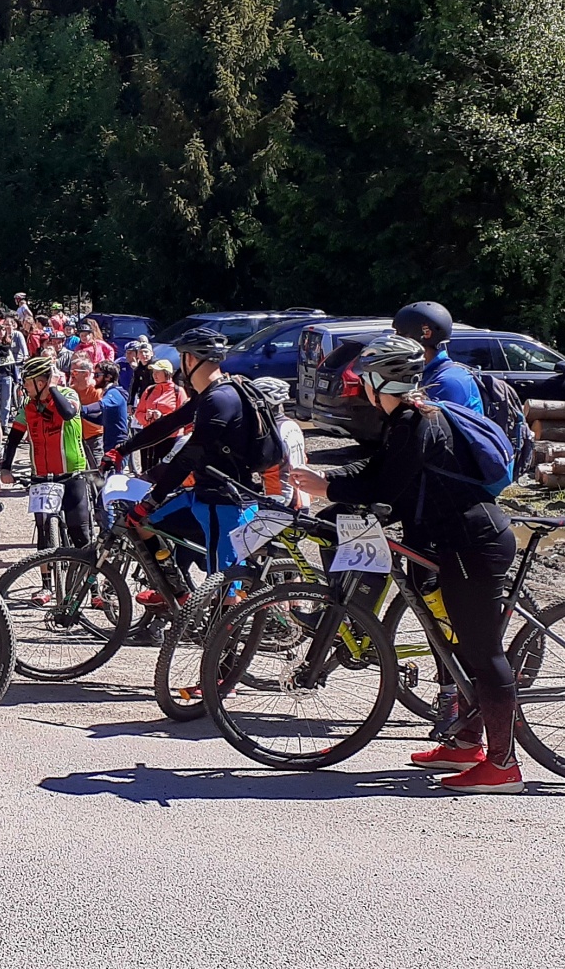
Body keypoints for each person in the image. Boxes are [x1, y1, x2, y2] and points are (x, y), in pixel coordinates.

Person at [287, 334, 523, 795]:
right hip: (447, 542)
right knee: (455, 644)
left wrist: (328, 489)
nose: (359, 385)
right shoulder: (406, 419)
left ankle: (503, 766)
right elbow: (376, 469)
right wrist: (327, 478)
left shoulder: (418, 422)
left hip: (471, 545)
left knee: (483, 652)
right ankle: (467, 744)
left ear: (381, 382)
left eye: (364, 378)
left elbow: (386, 489)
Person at [102, 328, 258, 603]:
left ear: (191, 359)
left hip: (223, 502)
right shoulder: (210, 394)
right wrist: (123, 449)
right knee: (143, 524)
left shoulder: (220, 399)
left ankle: (226, 626)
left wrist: (152, 499)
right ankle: (179, 596)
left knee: (225, 589)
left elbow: (190, 455)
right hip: (202, 494)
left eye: (181, 357)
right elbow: (171, 422)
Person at [4, 355, 93, 548]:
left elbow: (68, 413)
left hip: (71, 473)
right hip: (41, 477)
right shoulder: (28, 406)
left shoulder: (68, 394)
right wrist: (5, 468)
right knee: (43, 534)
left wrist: (52, 387)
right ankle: (46, 568)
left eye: (27, 383)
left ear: (41, 383)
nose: (24, 387)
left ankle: (87, 567)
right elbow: (13, 438)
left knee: (79, 534)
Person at [393, 300, 483, 414]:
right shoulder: (427, 373)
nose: (396, 341)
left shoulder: (449, 381)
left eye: (400, 334)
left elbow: (432, 423)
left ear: (426, 333)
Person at [132, 358, 184, 472]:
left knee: (165, 472)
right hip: (149, 436)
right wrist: (146, 417)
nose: (154, 375)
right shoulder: (149, 390)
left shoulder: (178, 392)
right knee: (146, 469)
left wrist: (162, 417)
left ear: (167, 373)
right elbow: (138, 413)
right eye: (153, 372)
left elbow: (183, 417)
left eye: (158, 372)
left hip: (169, 438)